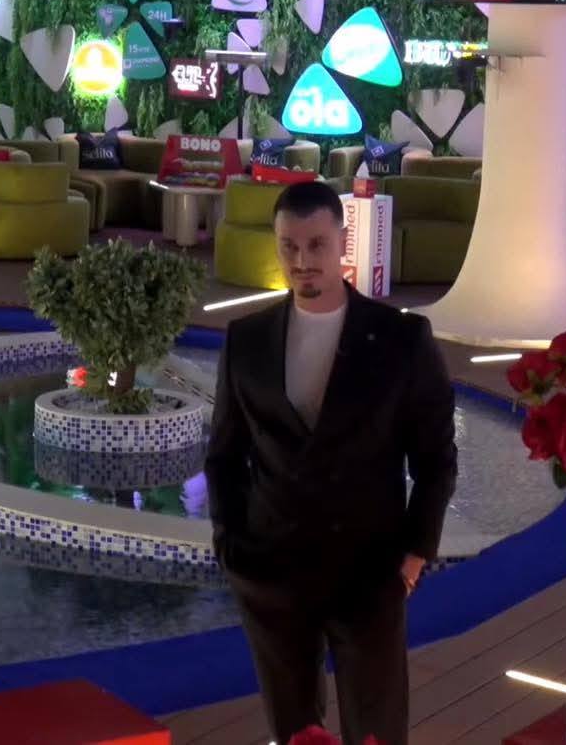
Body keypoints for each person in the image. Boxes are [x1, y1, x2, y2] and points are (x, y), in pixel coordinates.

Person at [205, 181, 457, 745]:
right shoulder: (247, 341)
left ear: (343, 242)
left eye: (316, 244)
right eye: (289, 246)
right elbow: (223, 455)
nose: (302, 260)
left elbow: (436, 457)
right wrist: (230, 546)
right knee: (292, 731)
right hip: (272, 568)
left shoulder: (401, 339)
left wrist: (415, 556)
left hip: (369, 570)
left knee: (377, 731)